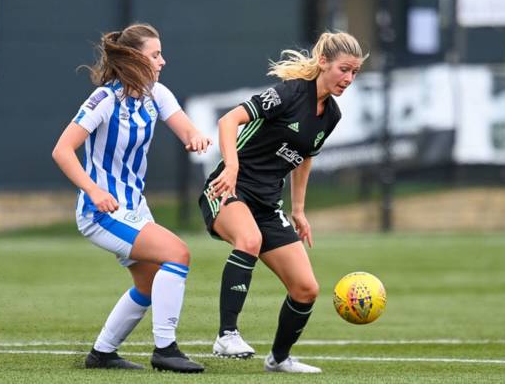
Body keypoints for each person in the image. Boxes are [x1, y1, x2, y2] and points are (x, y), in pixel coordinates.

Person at [198, 31, 366, 373]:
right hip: (230, 189)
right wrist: (231, 167)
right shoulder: (289, 93)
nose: (348, 79)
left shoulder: (331, 115)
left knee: (306, 289)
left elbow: (305, 158)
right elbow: (228, 120)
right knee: (249, 239)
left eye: (355, 73)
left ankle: (279, 359)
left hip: (267, 203)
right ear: (323, 63)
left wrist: (299, 210)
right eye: (344, 69)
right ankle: (226, 334)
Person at [52, 23, 210, 373]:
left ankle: (102, 354)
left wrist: (196, 138)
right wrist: (93, 190)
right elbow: (62, 150)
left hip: (133, 207)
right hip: (100, 211)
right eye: (155, 55)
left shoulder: (157, 94)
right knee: (178, 253)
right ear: (136, 58)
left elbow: (186, 128)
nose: (162, 61)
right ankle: (165, 349)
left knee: (149, 282)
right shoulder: (104, 100)